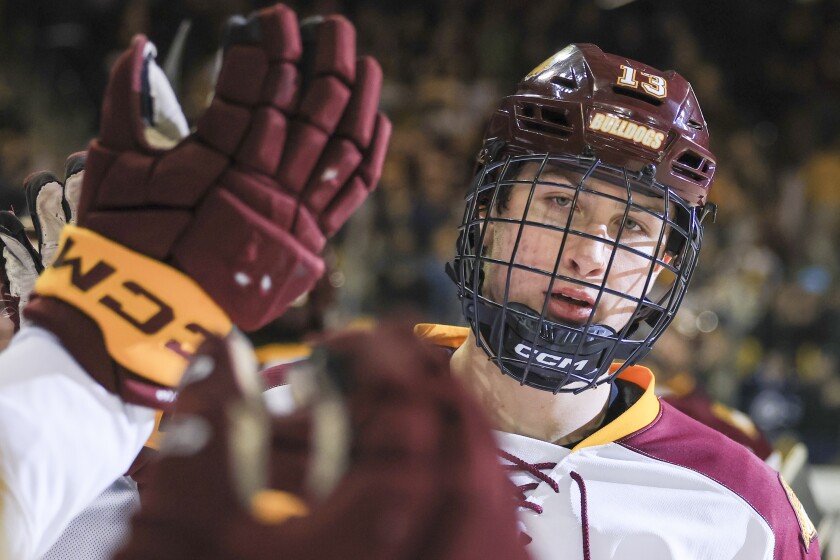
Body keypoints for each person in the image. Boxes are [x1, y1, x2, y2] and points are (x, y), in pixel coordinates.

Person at [411, 43, 820, 559]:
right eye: (560, 203)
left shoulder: (746, 513)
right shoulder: (316, 412)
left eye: (631, 226)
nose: (589, 256)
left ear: (662, 267)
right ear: (490, 214)